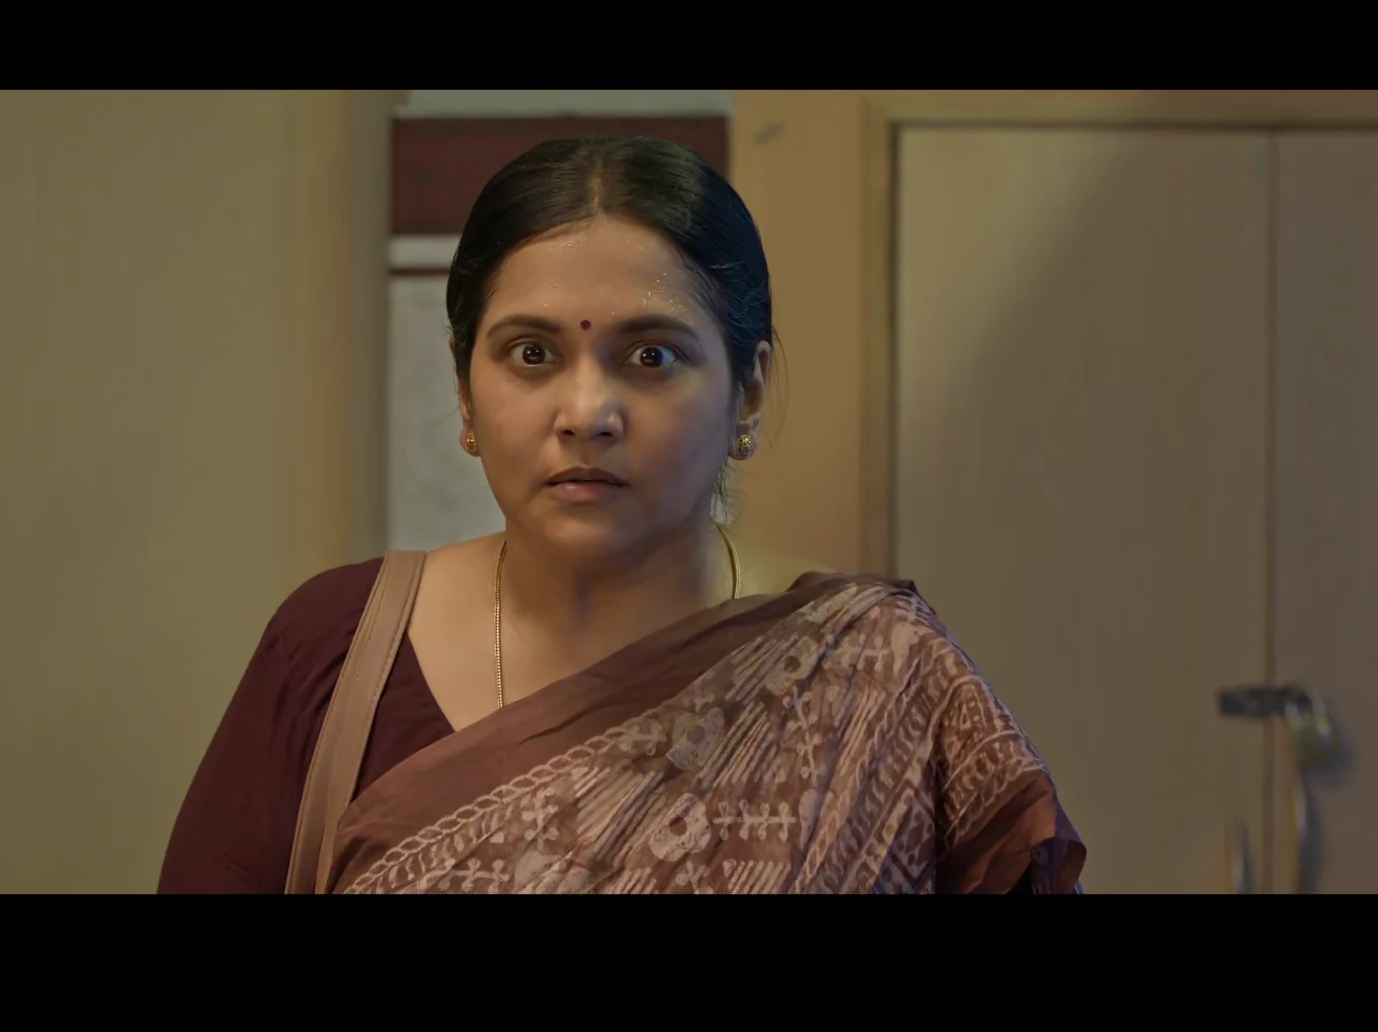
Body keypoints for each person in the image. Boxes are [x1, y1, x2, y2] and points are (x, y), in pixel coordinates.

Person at [159, 136, 1085, 894]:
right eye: (531, 354)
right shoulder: (337, 655)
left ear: (749, 391)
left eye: (651, 357)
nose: (585, 413)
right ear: (465, 391)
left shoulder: (881, 679)